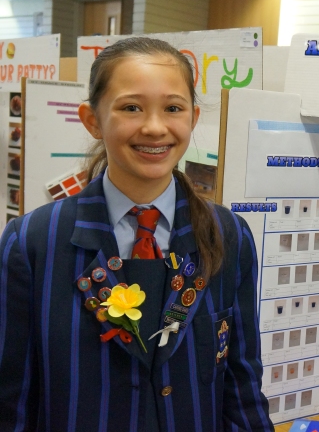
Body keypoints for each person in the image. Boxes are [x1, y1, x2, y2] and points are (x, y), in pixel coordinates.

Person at [0, 37, 273, 431]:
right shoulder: (33, 241)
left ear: (193, 118)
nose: (155, 127)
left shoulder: (227, 234)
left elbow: (242, 382)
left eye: (173, 108)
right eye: (131, 107)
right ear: (92, 120)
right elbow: (11, 398)